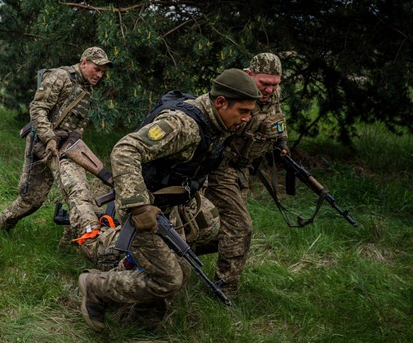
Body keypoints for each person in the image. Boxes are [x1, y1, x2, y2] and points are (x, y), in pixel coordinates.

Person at [77, 68, 262, 332]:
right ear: (220, 102)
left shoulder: (216, 123)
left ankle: (139, 324)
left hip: (165, 207)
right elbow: (125, 149)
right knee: (169, 278)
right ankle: (96, 287)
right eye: (242, 111)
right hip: (142, 207)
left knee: (182, 270)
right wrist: (138, 206)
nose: (246, 119)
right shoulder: (183, 125)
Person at [0, 47, 114, 261]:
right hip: (43, 144)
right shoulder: (60, 77)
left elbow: (80, 124)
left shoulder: (88, 89)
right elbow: (37, 108)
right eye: (96, 69)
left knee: (77, 192)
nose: (99, 75)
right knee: (31, 200)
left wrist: (74, 141)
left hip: (66, 148)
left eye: (103, 72)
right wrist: (49, 138)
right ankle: (2, 227)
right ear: (84, 62)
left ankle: (67, 248)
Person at [201, 53, 289, 299]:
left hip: (244, 169)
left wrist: (282, 142)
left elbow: (278, 118)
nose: (270, 90)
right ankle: (225, 289)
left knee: (227, 228)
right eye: (264, 84)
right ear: (250, 76)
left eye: (275, 83)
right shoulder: (234, 91)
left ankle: (180, 256)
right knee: (240, 226)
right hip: (221, 166)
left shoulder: (273, 94)